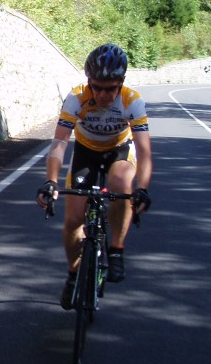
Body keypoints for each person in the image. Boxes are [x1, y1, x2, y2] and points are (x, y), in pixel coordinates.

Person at [36, 43, 152, 309]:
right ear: (89, 81)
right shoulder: (76, 98)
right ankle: (74, 274)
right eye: (96, 87)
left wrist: (142, 187)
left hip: (119, 151)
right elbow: (59, 143)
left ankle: (116, 250)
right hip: (86, 153)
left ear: (121, 83)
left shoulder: (132, 101)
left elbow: (144, 152)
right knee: (73, 220)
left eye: (110, 88)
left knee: (121, 183)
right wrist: (51, 181)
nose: (102, 94)